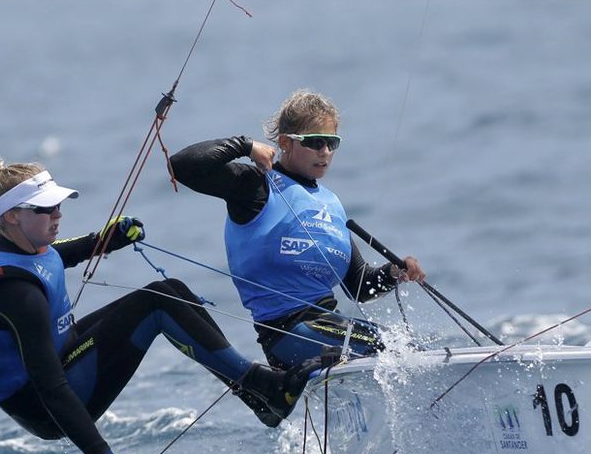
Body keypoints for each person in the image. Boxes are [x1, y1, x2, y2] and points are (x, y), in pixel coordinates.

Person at [0, 159, 325, 454]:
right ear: (11, 215)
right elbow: (51, 387)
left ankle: (260, 395)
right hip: (46, 404)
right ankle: (268, 389)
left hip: (57, 357)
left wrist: (101, 241)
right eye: (45, 209)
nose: (58, 215)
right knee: (157, 303)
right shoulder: (15, 295)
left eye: (59, 204)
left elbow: (50, 255)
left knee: (172, 290)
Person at [170, 89, 426, 369]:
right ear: (285, 143)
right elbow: (183, 166)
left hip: (327, 327)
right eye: (315, 142)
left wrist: (394, 271)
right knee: (392, 348)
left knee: (407, 348)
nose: (325, 152)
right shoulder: (256, 186)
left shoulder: (332, 204)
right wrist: (245, 146)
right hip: (287, 332)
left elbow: (360, 286)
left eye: (332, 143)